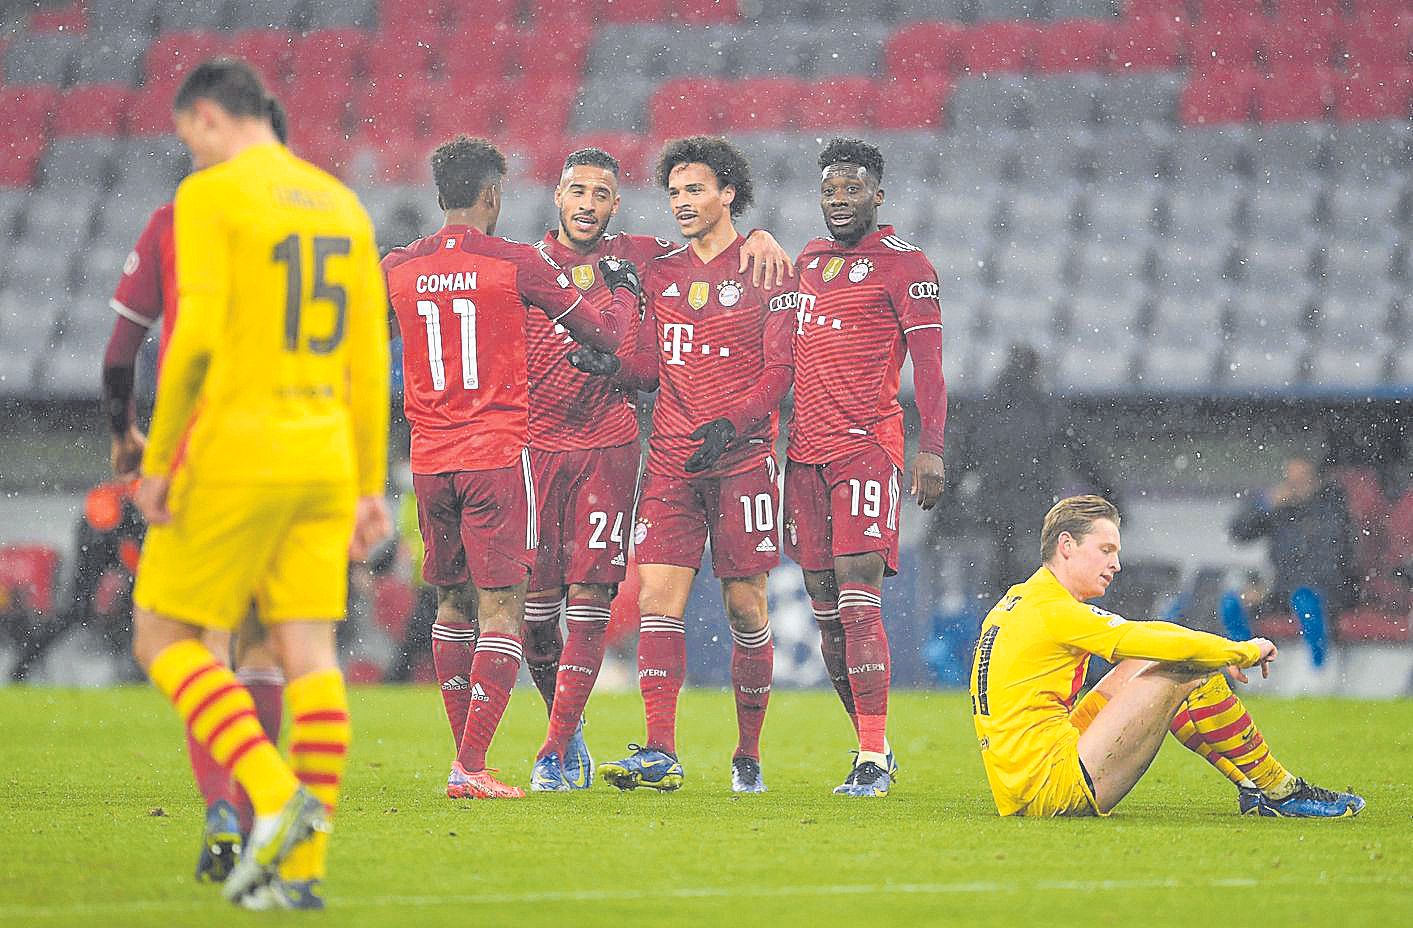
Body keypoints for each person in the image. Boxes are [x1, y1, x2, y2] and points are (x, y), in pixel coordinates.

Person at [127, 58, 391, 910]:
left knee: (162, 636)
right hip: (324, 457)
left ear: (206, 118)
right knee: (309, 656)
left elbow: (193, 334)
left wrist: (159, 461)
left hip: (240, 449)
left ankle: (273, 801)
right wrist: (371, 486)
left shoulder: (212, 195)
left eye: (187, 138)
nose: (190, 154)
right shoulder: (343, 204)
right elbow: (365, 362)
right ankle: (301, 878)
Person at [382, 136, 635, 801]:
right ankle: (471, 764)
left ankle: (464, 753)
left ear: (440, 196)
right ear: (492, 195)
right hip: (494, 455)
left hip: (428, 460)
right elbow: (603, 339)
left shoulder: (398, 267)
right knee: (504, 609)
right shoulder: (515, 262)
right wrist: (619, 302)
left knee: (451, 602)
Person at [101, 93, 291, 885]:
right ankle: (257, 822)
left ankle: (226, 801)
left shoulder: (178, 218)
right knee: (266, 645)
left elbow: (121, 352)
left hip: (199, 454)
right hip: (287, 449)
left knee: (182, 641)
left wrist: (126, 433)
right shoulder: (309, 221)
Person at [591, 136, 792, 794]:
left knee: (744, 609)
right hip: (674, 462)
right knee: (656, 599)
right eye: (674, 192)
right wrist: (612, 365)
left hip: (742, 463)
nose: (681, 202)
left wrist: (732, 424)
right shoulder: (663, 274)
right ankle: (660, 749)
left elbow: (778, 372)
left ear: (727, 194)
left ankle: (749, 751)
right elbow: (649, 367)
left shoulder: (765, 267)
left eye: (694, 190)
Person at [969, 495, 1365, 818]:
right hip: (1053, 789)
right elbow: (1152, 640)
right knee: (1184, 666)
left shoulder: (1022, 598)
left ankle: (1254, 787)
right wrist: (1240, 651)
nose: (1116, 564)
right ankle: (1279, 789)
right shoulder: (1056, 610)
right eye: (1106, 550)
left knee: (1155, 659)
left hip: (1019, 785)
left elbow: (1152, 634)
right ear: (1067, 546)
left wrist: (1213, 651)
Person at [782, 138, 948, 797]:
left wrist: (929, 448)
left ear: (876, 195)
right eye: (829, 191)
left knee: (856, 593)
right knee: (825, 611)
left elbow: (929, 366)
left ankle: (872, 757)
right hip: (803, 455)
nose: (839, 200)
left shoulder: (906, 265)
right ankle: (870, 744)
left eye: (851, 189)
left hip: (865, 449)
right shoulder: (807, 262)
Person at [954, 342, 1119, 605]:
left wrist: (942, 517)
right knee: (1035, 589)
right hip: (1034, 515)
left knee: (995, 593)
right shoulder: (1046, 410)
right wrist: (1113, 500)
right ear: (1034, 371)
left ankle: (993, 638)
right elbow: (1084, 459)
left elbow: (956, 466)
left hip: (991, 516)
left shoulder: (986, 410)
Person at [1224, 454, 1354, 667]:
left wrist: (1289, 586)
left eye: (1301, 480)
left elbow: (1331, 562)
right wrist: (1266, 505)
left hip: (1327, 591)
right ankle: (1247, 665)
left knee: (1305, 600)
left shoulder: (1332, 510)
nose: (1294, 487)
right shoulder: (1280, 510)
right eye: (1290, 481)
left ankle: (1319, 669)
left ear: (1317, 480)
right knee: (1232, 602)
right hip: (1283, 590)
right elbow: (1239, 533)